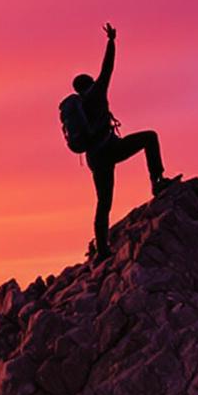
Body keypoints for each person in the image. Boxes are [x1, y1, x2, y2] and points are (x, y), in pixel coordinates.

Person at [59, 22, 171, 257]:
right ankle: (157, 181)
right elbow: (107, 68)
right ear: (89, 84)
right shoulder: (97, 92)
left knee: (103, 202)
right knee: (150, 137)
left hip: (94, 156)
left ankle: (102, 250)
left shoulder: (78, 105)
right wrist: (111, 41)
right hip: (110, 147)